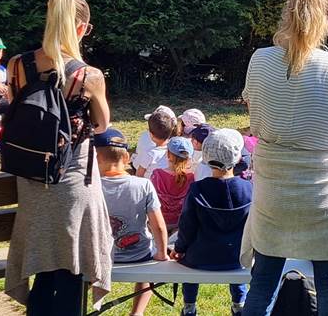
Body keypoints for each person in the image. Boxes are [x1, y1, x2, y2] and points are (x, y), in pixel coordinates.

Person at [240, 0, 328, 316]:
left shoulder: (259, 60)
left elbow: (255, 119)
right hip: (323, 194)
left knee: (262, 284)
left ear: (286, 14)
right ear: (326, 18)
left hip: (274, 191)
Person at [3, 0, 114, 315]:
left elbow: (15, 109)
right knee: (72, 266)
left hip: (32, 178)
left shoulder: (17, 65)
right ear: (81, 28)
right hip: (72, 178)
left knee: (44, 268)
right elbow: (102, 124)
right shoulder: (88, 75)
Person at [173, 128, 253, 316]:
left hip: (199, 257)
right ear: (238, 158)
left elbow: (187, 226)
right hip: (237, 258)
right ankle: (239, 303)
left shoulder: (197, 189)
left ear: (207, 157)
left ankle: (189, 306)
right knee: (238, 264)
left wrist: (179, 248)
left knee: (189, 273)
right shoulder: (249, 189)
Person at [95, 128, 169, 316]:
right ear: (127, 158)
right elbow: (158, 226)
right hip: (139, 255)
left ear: (95, 158)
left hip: (100, 257)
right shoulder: (143, 185)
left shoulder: (91, 188)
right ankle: (137, 312)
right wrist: (161, 253)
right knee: (147, 265)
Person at [150, 137, 195, 231]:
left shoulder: (157, 174)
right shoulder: (191, 177)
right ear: (189, 158)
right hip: (180, 223)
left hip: (160, 221)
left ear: (168, 154)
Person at [133, 111, 177, 178]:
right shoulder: (175, 149)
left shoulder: (149, 154)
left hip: (151, 184)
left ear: (151, 134)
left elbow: (139, 176)